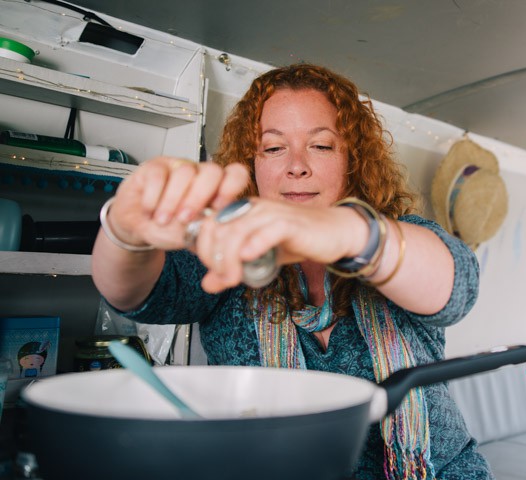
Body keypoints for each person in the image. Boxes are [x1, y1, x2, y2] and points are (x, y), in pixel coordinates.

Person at [91, 63, 491, 480]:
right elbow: (133, 294)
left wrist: (344, 232)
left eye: (321, 146)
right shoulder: (227, 251)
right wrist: (125, 229)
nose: (296, 165)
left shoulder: (402, 236)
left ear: (351, 160)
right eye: (273, 147)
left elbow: (456, 286)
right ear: (252, 163)